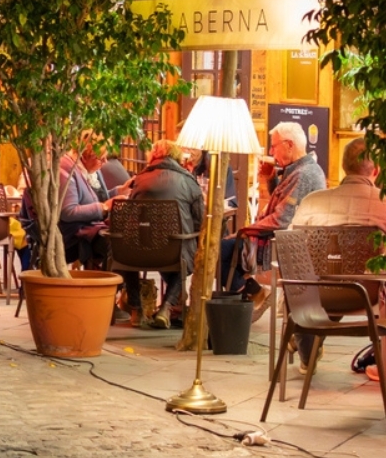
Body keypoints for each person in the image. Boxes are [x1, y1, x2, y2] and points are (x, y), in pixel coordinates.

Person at [287, 136, 386, 372]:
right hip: (366, 293)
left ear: (344, 166)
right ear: (377, 169)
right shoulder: (383, 205)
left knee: (322, 273)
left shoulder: (312, 202)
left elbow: (291, 250)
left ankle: (307, 349)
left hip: (315, 294)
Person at [220, 121, 326, 295]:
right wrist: (271, 179)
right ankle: (248, 293)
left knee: (220, 250)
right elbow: (283, 204)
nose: (271, 152)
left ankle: (250, 294)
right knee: (225, 248)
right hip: (283, 240)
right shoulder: (302, 169)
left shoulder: (303, 175)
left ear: (289, 145)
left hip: (282, 246)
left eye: (274, 146)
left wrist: (246, 230)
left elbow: (281, 219)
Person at [121, 139, 204, 329]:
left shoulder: (139, 180)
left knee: (129, 253)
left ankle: (137, 310)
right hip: (174, 252)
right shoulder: (189, 181)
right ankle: (167, 308)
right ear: (176, 158)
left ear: (153, 157)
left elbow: (130, 213)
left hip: (139, 251)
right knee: (186, 253)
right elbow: (200, 221)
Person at [59, 134, 115, 271]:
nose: (105, 162)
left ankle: (119, 288)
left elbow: (96, 199)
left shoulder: (90, 171)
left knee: (124, 241)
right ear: (84, 155)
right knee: (117, 245)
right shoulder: (66, 169)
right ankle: (106, 288)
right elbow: (68, 211)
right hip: (71, 234)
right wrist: (104, 207)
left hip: (90, 228)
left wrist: (119, 192)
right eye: (100, 158)